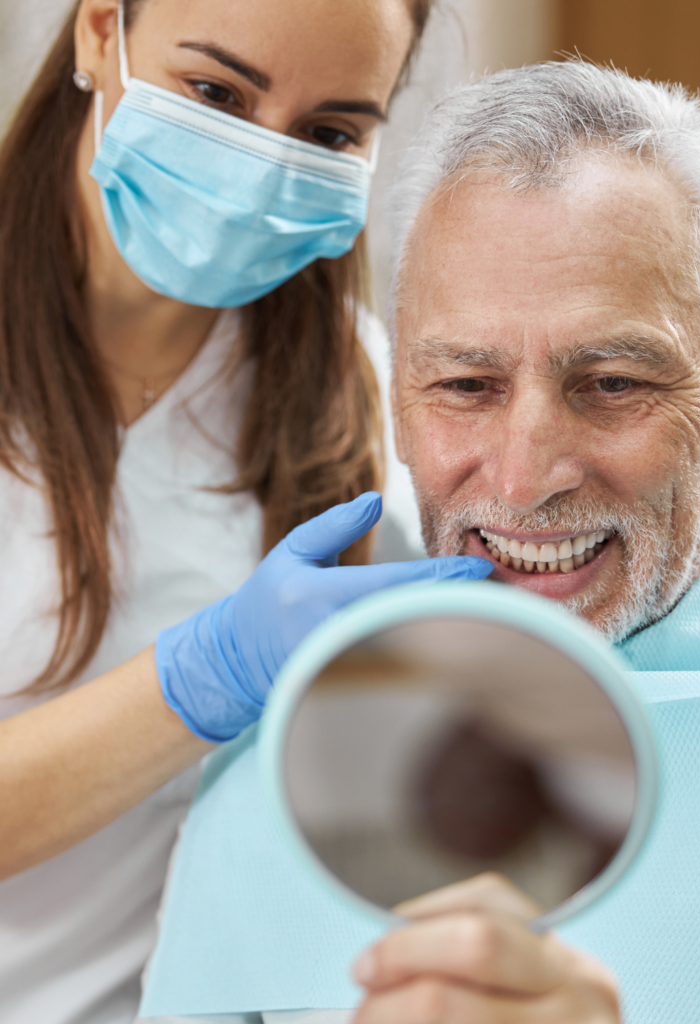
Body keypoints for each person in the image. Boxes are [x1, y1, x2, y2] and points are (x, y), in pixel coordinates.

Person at [141, 60, 700, 1024]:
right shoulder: (279, 778)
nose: (524, 480)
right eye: (466, 388)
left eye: (611, 384)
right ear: (399, 412)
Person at [0, 1, 507, 1021]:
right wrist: (203, 676)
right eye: (215, 92)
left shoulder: (361, 397)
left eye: (328, 133)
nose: (262, 166)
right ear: (102, 32)